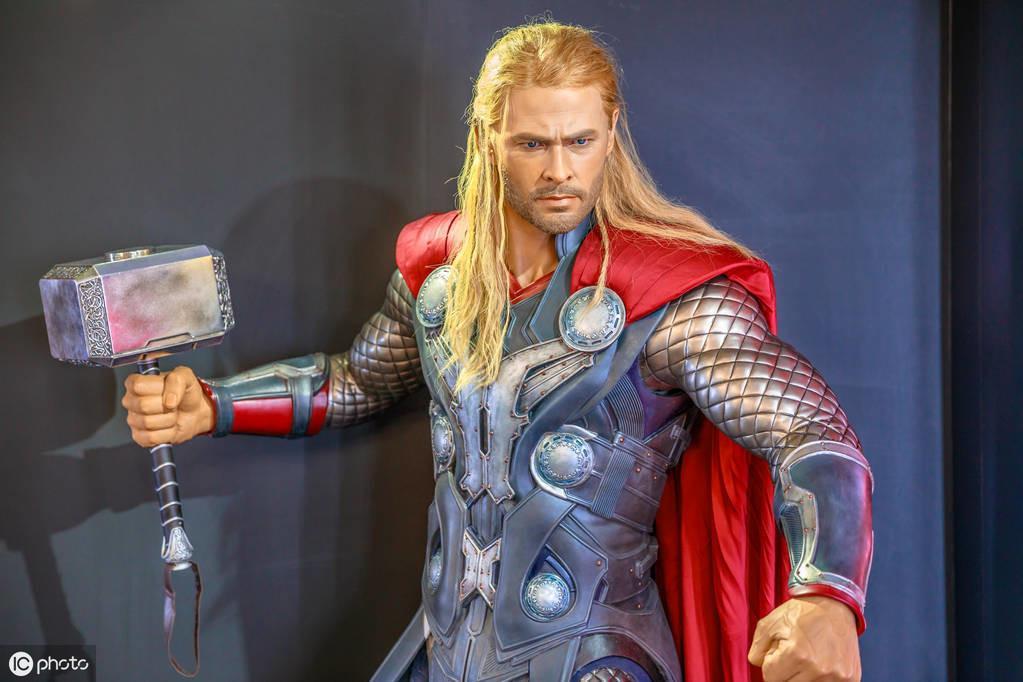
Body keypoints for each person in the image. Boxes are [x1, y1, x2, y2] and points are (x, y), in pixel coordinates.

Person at [122, 20, 872, 682]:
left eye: (580, 141)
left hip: (594, 654)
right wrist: (213, 404)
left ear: (611, 131)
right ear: (488, 138)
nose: (559, 170)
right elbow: (357, 383)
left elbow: (809, 431)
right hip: (449, 648)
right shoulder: (436, 275)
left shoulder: (670, 297)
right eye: (532, 143)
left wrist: (828, 594)